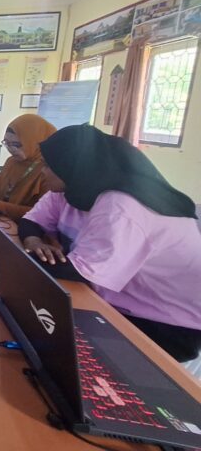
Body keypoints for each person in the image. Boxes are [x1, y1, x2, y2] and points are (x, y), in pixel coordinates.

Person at [19, 124, 201, 362]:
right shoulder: (69, 189)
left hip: (164, 323)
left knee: (59, 358)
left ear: (72, 166)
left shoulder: (121, 206)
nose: (42, 172)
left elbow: (79, 273)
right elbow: (30, 222)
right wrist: (34, 242)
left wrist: (14, 258)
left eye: (48, 165)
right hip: (113, 300)